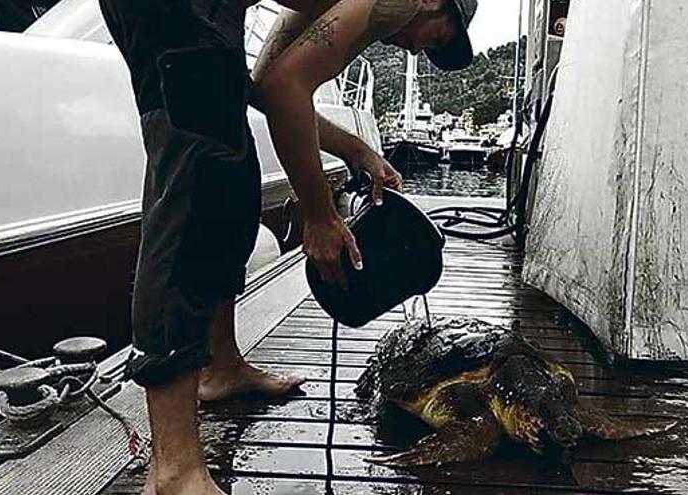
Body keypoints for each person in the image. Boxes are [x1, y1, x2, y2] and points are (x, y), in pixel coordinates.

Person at [99, 0, 478, 492]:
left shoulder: (322, 8)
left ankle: (221, 367)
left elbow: (264, 86)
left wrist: (357, 151)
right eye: (439, 37)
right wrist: (320, 215)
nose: (420, 47)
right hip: (177, 12)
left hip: (205, 16)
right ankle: (174, 470)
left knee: (231, 187)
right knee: (195, 193)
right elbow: (286, 89)